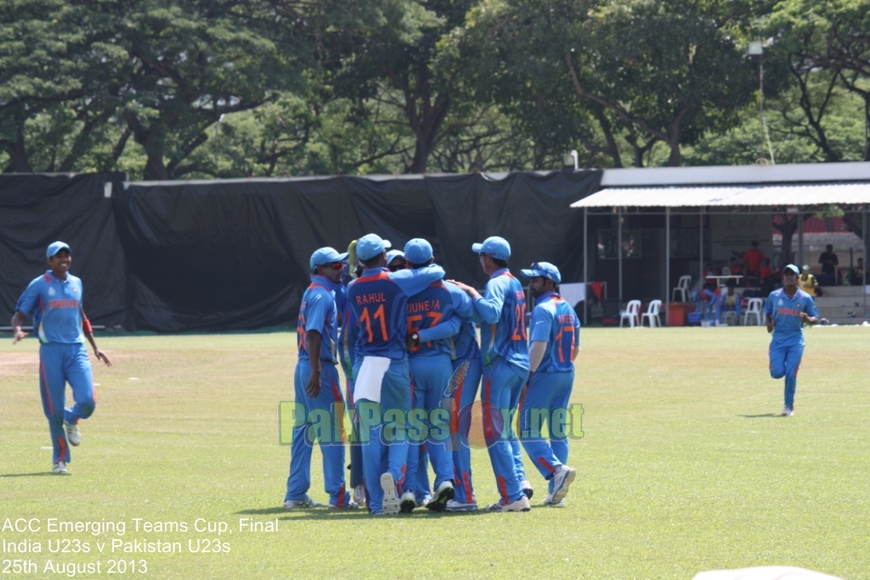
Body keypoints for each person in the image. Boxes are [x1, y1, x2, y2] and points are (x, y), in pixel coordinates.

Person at [346, 233, 445, 515]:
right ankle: (393, 474)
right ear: (382, 257)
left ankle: (376, 504)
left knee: (370, 434)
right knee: (400, 426)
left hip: (366, 363)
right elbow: (436, 270)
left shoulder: (353, 287)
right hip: (395, 360)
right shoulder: (396, 280)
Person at [11, 241, 112, 475]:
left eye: (67, 256)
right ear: (50, 261)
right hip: (51, 351)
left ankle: (72, 417)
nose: (64, 259)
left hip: (76, 350)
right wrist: (17, 330)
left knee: (87, 400)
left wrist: (95, 346)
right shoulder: (40, 285)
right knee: (53, 410)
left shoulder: (77, 283)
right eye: (58, 257)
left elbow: (81, 314)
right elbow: (18, 316)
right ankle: (60, 460)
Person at [450, 236, 532, 512]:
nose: (480, 259)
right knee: (505, 430)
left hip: (500, 362)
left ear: (488, 258)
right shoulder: (515, 283)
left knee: (492, 431)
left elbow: (492, 313)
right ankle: (517, 485)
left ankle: (512, 496)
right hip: (519, 362)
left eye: (481, 255)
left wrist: (472, 292)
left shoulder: (496, 282)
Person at [401, 238, 475, 512]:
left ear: (407, 263)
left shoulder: (399, 291)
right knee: (440, 427)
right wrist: (451, 324)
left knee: (411, 429)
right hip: (442, 364)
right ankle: (444, 480)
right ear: (432, 260)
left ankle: (408, 488)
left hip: (410, 364)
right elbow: (467, 315)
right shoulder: (448, 291)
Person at [284, 247, 356, 510]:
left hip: (303, 367)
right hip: (318, 369)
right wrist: (316, 371)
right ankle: (338, 496)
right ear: (321, 269)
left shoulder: (313, 290)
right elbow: (314, 333)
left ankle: (295, 493)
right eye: (336, 266)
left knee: (303, 433)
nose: (342, 269)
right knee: (334, 433)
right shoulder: (322, 296)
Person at [518, 262, 580, 506]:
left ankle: (556, 470)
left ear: (550, 282)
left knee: (526, 428)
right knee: (558, 432)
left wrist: (527, 377)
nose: (531, 284)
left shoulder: (543, 309)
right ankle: (556, 493)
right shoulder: (569, 309)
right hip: (566, 372)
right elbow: (575, 348)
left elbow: (538, 346)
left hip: (545, 374)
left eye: (535, 280)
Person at [763, 264, 819, 416]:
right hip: (778, 339)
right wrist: (769, 323)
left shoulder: (805, 298)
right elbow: (767, 311)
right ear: (783, 277)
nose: (789, 277)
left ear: (797, 278)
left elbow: (816, 318)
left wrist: (808, 319)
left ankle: (788, 406)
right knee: (777, 373)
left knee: (790, 373)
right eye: (786, 274)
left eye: (792, 275)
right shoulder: (774, 296)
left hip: (796, 339)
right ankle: (775, 364)